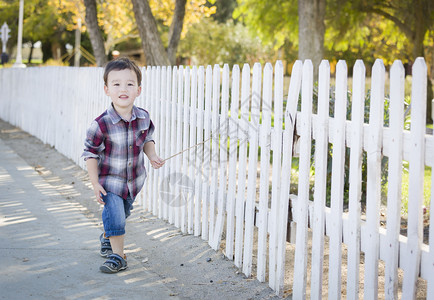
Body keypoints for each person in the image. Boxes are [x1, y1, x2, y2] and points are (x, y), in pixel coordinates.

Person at [82, 57, 164, 273]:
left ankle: (107, 236)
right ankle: (118, 256)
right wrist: (94, 182)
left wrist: (152, 155)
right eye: (116, 84)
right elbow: (90, 153)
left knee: (121, 214)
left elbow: (147, 139)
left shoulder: (143, 117)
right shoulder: (101, 124)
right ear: (106, 89)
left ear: (138, 89)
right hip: (110, 181)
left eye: (129, 84)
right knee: (116, 215)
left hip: (134, 181)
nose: (123, 89)